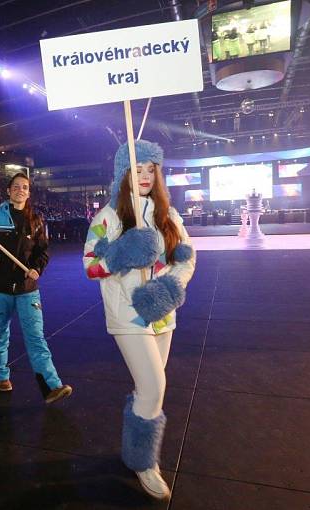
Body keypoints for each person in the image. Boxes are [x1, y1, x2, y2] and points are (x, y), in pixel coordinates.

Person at [83, 140, 196, 500]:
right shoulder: (109, 218)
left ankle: (134, 448)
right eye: (138, 169)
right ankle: (144, 461)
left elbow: (187, 259)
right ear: (123, 174)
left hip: (162, 313)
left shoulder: (169, 215)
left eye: (151, 169)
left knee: (150, 388)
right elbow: (90, 265)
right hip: (127, 314)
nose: (145, 176)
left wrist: (168, 288)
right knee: (153, 388)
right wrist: (121, 253)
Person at [0, 173, 72, 403]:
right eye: (16, 186)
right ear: (8, 191)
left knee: (36, 337)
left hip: (28, 289)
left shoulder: (36, 220)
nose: (20, 190)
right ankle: (0, 376)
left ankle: (51, 386)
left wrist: (37, 268)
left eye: (25, 187)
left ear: (29, 193)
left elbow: (43, 252)